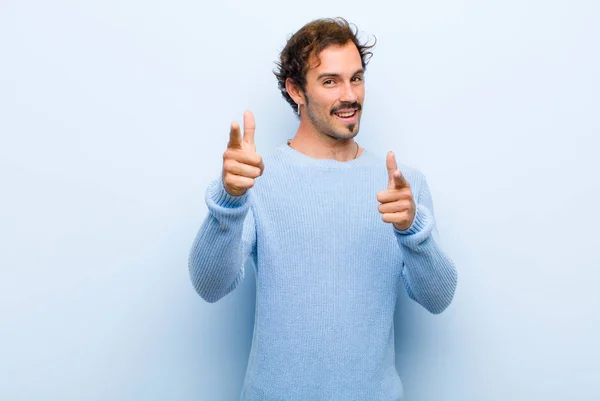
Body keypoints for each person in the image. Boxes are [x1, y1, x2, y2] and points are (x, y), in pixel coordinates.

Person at [188, 17, 458, 401]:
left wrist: (414, 232)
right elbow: (210, 286)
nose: (350, 95)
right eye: (330, 81)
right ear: (296, 90)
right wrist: (230, 200)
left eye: (357, 78)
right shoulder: (256, 179)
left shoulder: (401, 185)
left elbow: (438, 298)